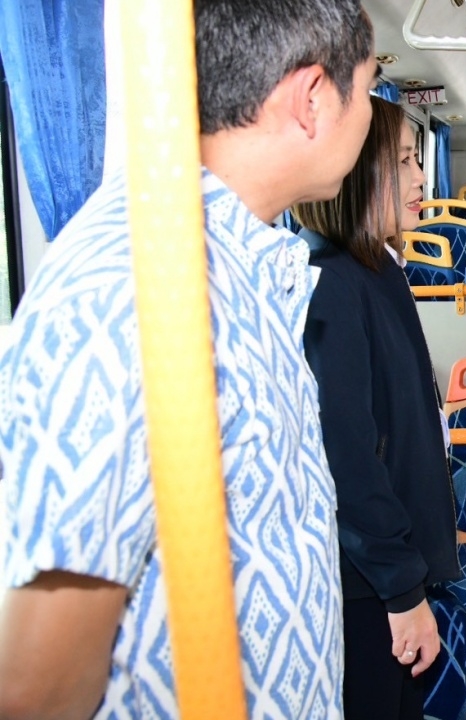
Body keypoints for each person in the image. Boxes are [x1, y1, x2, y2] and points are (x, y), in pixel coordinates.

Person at [0, 1, 375, 717]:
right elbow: (35, 691)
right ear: (312, 98)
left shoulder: (242, 268)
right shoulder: (135, 290)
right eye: (369, 82)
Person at [296, 97, 466, 720]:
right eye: (402, 161)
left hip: (395, 570)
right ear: (351, 169)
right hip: (368, 586)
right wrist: (402, 592)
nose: (422, 178)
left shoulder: (379, 268)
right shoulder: (332, 283)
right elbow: (348, 458)